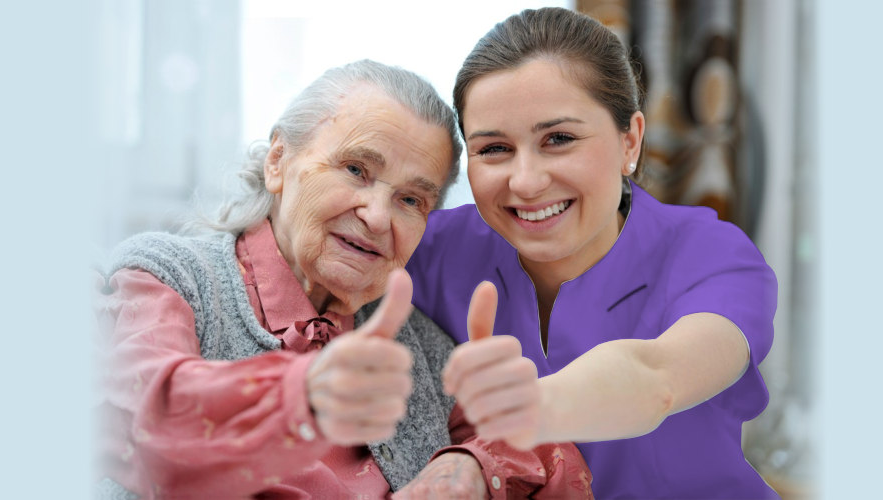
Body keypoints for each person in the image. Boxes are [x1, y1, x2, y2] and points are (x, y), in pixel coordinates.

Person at [97, 59, 590, 499]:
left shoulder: (414, 342)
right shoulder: (167, 278)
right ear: (278, 161)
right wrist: (306, 393)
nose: (378, 217)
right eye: (356, 169)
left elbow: (551, 454)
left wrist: (471, 467)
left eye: (411, 200)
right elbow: (144, 425)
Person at [406, 8, 782, 499]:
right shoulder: (432, 248)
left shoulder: (711, 255)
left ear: (630, 140)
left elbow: (656, 379)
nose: (525, 181)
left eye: (558, 139)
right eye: (494, 149)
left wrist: (515, 420)